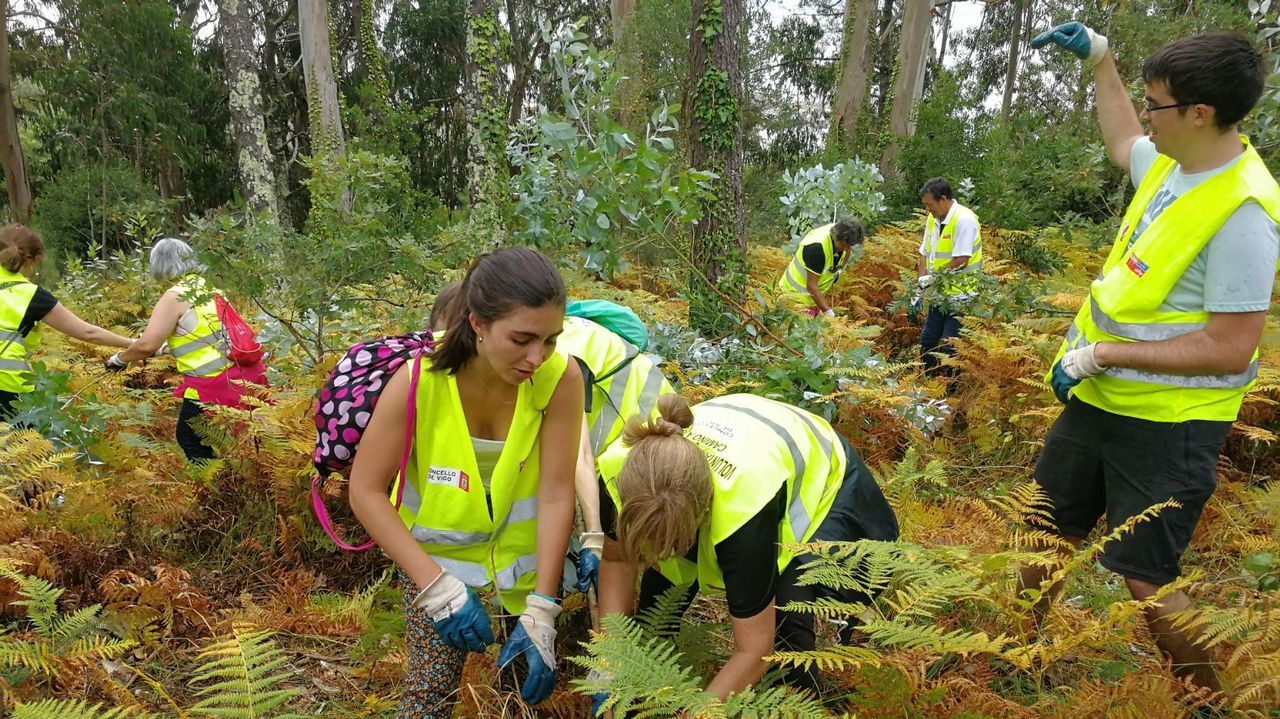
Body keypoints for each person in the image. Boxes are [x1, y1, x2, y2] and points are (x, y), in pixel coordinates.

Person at [1026, 26, 1278, 698]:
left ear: (1200, 113)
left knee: (1146, 576)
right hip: (1098, 404)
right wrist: (1103, 60)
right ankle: (1011, 657)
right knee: (1044, 531)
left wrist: (1103, 353)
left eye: (1157, 104)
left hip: (1169, 425)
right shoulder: (1172, 163)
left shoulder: (1243, 210)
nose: (1148, 116)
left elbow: (1232, 344)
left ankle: (1212, 702)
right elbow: (1120, 140)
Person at [349, 247, 584, 717]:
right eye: (521, 339)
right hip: (434, 566)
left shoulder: (561, 379)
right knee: (429, 694)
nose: (537, 357)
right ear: (477, 323)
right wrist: (436, 587)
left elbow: (558, 492)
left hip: (525, 574)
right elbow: (366, 490)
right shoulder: (419, 380)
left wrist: (543, 606)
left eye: (551, 340)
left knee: (520, 700)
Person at [593, 393, 899, 709]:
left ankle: (805, 702)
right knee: (654, 617)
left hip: (836, 488)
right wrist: (611, 662)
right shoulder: (621, 472)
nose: (656, 557)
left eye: (672, 543)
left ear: (705, 511)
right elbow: (616, 559)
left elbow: (754, 650)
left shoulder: (743, 512)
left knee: (791, 625)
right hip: (748, 431)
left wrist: (700, 714)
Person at [108, 238, 267, 462]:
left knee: (190, 437)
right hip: (246, 373)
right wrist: (165, 349)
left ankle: (217, 491)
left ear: (159, 264)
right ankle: (239, 485)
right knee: (248, 443)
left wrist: (118, 360)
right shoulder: (209, 289)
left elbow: (146, 345)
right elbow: (199, 337)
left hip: (216, 383)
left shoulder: (175, 296)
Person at [555, 309, 675, 593]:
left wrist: (594, 537)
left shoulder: (557, 353)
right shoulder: (541, 333)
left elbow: (577, 452)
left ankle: (638, 626)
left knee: (631, 544)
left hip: (649, 442)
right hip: (618, 444)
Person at [0, 224, 135, 420]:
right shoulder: (30, 295)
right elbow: (87, 333)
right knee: (28, 445)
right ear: (32, 260)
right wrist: (134, 344)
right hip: (8, 385)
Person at [914, 177, 982, 377]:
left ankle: (950, 395)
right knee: (927, 340)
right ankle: (930, 385)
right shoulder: (933, 219)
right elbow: (923, 253)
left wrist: (931, 279)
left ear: (943, 199)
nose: (928, 210)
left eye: (930, 205)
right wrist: (920, 283)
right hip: (940, 294)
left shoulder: (964, 220)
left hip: (963, 295)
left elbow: (962, 260)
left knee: (949, 348)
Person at [777, 218, 865, 318]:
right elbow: (811, 286)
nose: (847, 249)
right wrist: (828, 312)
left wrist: (840, 269)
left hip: (813, 300)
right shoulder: (816, 248)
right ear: (837, 237)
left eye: (850, 246)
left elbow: (847, 251)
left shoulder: (843, 233)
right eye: (844, 246)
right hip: (793, 298)